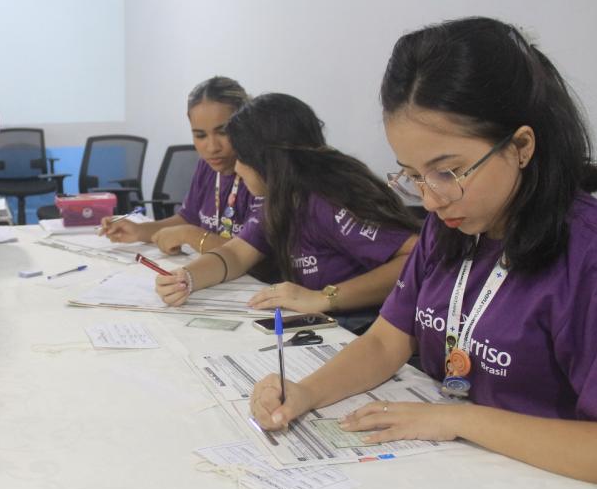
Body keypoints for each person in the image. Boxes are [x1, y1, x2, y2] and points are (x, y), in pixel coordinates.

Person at [251, 17, 597, 483]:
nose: (430, 200)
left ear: (520, 146)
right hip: (457, 469)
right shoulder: (451, 226)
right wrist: (306, 393)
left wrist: (458, 421)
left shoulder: (585, 256)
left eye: (448, 172)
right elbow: (385, 341)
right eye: (413, 175)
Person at [156, 93, 419, 325]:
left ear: (267, 161)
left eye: (242, 158)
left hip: (362, 325)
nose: (236, 168)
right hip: (326, 322)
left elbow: (416, 257)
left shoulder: (326, 200)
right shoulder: (280, 197)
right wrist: (187, 277)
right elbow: (236, 254)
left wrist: (325, 297)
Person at [99, 76, 260, 254]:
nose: (212, 147)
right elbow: (187, 218)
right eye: (200, 135)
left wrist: (189, 235)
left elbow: (249, 253)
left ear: (245, 125)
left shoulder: (259, 176)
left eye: (222, 132)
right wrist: (139, 231)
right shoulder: (207, 166)